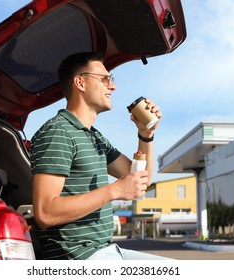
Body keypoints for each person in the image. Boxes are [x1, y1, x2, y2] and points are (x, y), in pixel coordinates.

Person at [30, 51, 166, 260]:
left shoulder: (95, 138)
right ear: (80, 83)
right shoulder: (58, 132)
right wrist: (114, 191)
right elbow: (45, 213)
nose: (112, 86)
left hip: (106, 250)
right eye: (104, 79)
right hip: (79, 257)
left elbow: (142, 181)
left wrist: (146, 135)